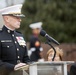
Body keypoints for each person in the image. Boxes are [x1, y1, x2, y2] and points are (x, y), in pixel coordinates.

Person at [0, 4, 30, 75]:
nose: (20, 20)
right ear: (7, 19)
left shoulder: (20, 36)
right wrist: (13, 67)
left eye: (20, 17)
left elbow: (26, 58)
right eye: (17, 17)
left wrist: (32, 65)